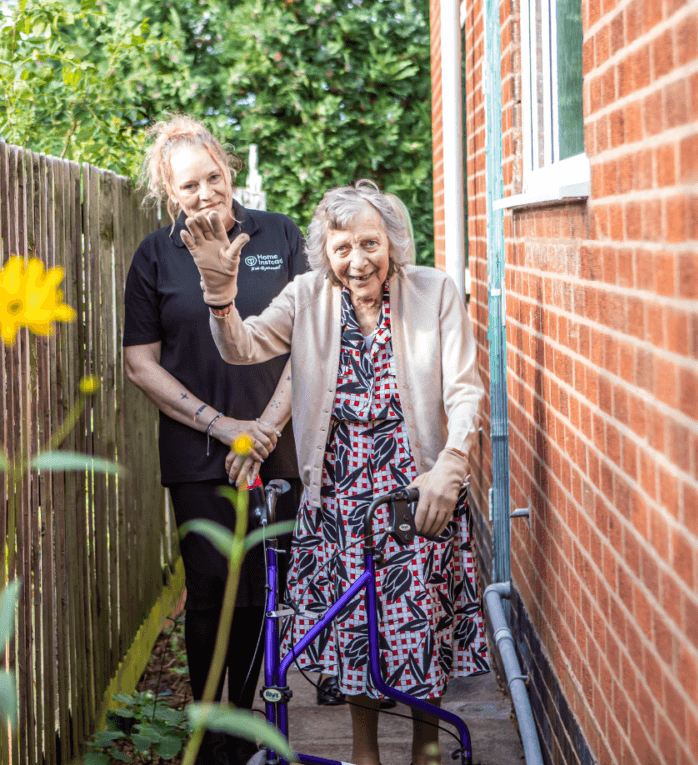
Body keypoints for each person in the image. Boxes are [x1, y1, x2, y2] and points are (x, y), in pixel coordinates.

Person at [180, 180, 488, 765]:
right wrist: (220, 293)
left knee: (418, 622)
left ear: (393, 242)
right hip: (340, 500)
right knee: (356, 630)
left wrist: (452, 463)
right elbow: (242, 347)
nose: (357, 260)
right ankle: (364, 753)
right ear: (326, 253)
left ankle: (426, 746)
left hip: (416, 491)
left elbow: (466, 389)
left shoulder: (435, 291)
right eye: (342, 247)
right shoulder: (307, 297)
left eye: (369, 243)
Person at [122, 115, 307, 765]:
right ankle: (209, 736)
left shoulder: (279, 234)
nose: (205, 193)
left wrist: (263, 432)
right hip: (199, 455)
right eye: (189, 186)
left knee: (259, 588)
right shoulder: (154, 256)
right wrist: (224, 428)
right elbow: (140, 362)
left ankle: (241, 718)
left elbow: (311, 338)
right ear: (170, 193)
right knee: (207, 589)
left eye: (212, 177)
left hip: (276, 447)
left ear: (227, 169)